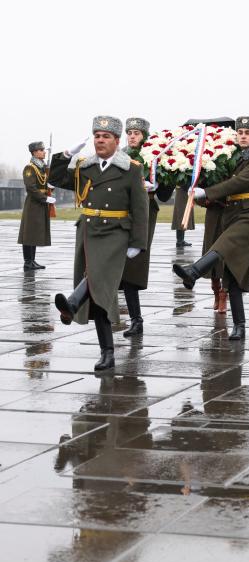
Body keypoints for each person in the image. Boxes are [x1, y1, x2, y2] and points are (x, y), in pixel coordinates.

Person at [48, 115, 149, 371]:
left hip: (115, 234)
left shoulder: (131, 168)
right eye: (97, 136)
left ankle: (72, 304)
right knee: (99, 294)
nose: (100, 140)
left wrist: (138, 242)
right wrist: (64, 155)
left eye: (105, 137)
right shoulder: (85, 166)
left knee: (98, 281)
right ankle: (106, 351)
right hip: (89, 231)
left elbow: (141, 207)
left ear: (117, 140)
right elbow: (55, 180)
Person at [172, 116, 249, 340]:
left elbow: (238, 183)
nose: (242, 136)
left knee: (223, 245)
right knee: (232, 274)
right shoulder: (231, 159)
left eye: (247, 133)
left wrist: (209, 192)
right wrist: (199, 189)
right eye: (240, 132)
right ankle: (239, 326)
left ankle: (194, 272)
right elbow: (222, 188)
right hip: (231, 214)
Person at [120, 117, 173, 336]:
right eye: (129, 132)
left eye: (137, 133)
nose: (132, 136)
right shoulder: (119, 155)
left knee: (134, 263)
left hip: (143, 213)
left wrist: (160, 182)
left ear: (145, 136)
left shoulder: (154, 156)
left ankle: (136, 319)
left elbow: (164, 195)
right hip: (119, 213)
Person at [18, 141, 55, 270]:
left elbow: (43, 183)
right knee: (29, 233)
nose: (44, 152)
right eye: (41, 150)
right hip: (33, 204)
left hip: (40, 204)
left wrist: (50, 187)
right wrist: (45, 198)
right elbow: (31, 188)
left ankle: (32, 261)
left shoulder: (42, 167)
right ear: (35, 152)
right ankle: (28, 262)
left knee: (34, 233)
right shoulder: (30, 168)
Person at [200, 197, 227, 313]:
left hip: (229, 211)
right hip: (213, 212)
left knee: (227, 254)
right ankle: (216, 291)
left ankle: (223, 294)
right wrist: (204, 200)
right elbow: (198, 190)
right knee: (211, 252)